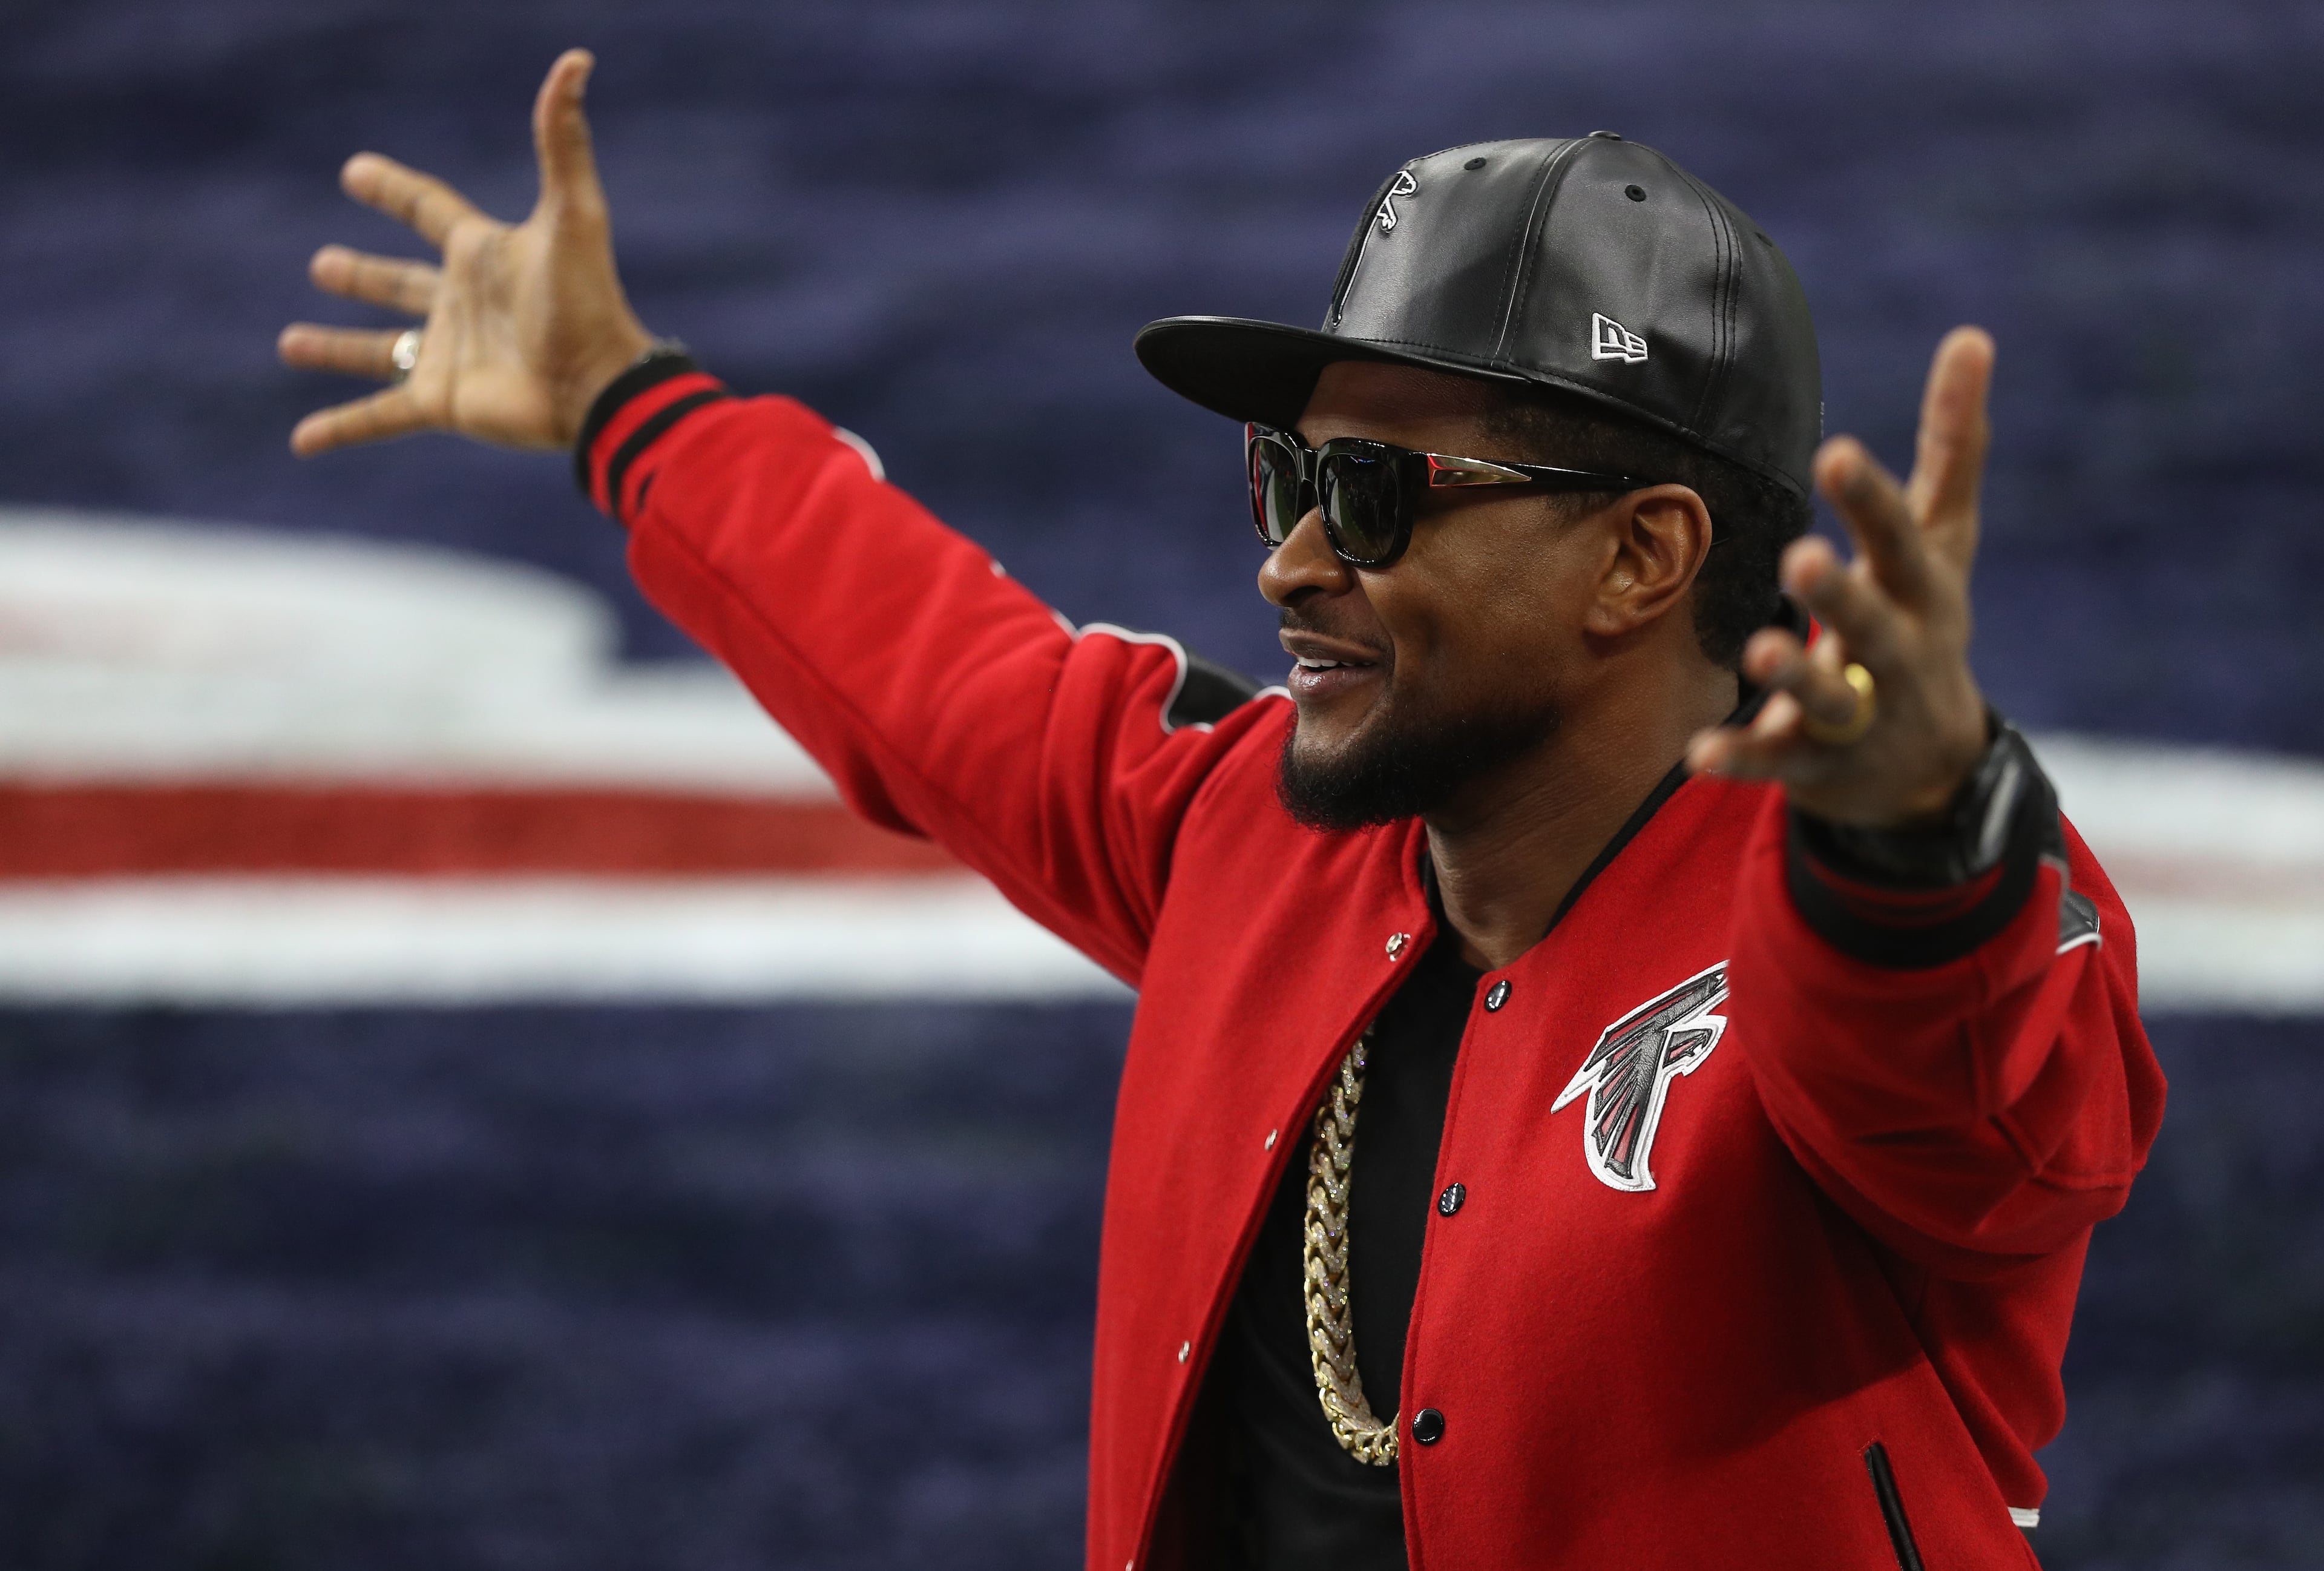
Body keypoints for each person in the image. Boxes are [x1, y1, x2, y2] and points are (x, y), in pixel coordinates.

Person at [279, 50, 2163, 1571]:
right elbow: (929, 671)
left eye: (1372, 491)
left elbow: (1978, 1099)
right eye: (1282, 471)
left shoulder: (1892, 924)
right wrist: (621, 397)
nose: (1285, 563)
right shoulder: (1255, 840)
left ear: (1640, 555)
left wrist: (1923, 828)